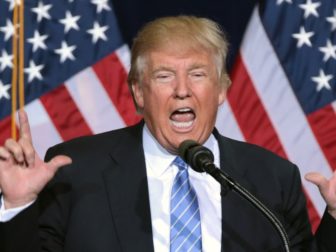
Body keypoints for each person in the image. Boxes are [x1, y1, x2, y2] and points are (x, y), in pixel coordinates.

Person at [0, 15, 335, 252]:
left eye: (198, 74)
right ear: (139, 92)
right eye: (164, 76)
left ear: (221, 89)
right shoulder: (77, 170)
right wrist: (18, 204)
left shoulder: (272, 178)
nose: (182, 91)